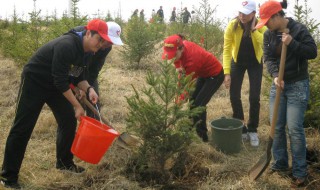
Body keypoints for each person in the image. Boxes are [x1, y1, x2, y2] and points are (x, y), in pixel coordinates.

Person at [0, 19, 110, 189]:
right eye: (99, 39)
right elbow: (61, 81)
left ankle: (64, 163)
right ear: (88, 33)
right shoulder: (67, 45)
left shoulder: (88, 51)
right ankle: (8, 177)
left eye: (104, 41)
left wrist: (89, 89)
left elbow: (77, 76)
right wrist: (77, 105)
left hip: (55, 85)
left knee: (68, 120)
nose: (101, 44)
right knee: (23, 127)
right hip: (35, 82)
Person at [256, 0, 317, 187]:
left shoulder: (299, 29)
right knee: (277, 125)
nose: (265, 25)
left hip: (298, 84)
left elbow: (312, 52)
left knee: (294, 129)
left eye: (268, 21)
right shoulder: (269, 34)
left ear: (277, 16)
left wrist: (292, 43)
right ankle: (280, 163)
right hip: (279, 85)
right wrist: (275, 76)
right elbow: (268, 58)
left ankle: (300, 171)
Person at [162, 34, 224, 142]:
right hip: (202, 73)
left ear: (181, 48)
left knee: (199, 104)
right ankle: (192, 129)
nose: (171, 57)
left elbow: (187, 86)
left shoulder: (192, 60)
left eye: (173, 54)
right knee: (193, 102)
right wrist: (178, 69)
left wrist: (177, 105)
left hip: (215, 75)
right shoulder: (181, 47)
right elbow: (178, 64)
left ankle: (202, 137)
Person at [223, 0, 267, 147]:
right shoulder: (232, 25)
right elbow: (227, 49)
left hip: (255, 63)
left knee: (254, 97)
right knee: (234, 95)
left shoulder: (261, 25)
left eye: (246, 13)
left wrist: (254, 29)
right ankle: (241, 127)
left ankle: (253, 130)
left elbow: (265, 42)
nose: (242, 15)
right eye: (240, 12)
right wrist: (227, 72)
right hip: (238, 62)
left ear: (254, 13)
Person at [72, 21, 123, 120]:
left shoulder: (107, 48)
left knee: (94, 100)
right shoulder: (82, 35)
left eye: (112, 42)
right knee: (74, 104)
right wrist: (77, 87)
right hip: (73, 71)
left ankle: (94, 129)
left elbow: (95, 69)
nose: (108, 45)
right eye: (108, 41)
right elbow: (74, 66)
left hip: (88, 72)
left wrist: (88, 88)